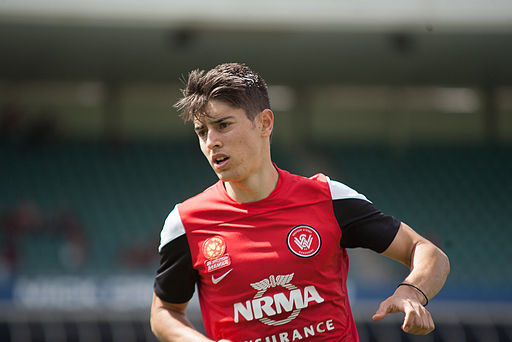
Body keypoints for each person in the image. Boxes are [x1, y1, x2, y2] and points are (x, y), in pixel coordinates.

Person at [150, 63, 450, 342]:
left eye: (223, 125)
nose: (211, 141)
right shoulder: (185, 223)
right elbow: (164, 312)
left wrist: (412, 291)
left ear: (265, 123)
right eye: (202, 132)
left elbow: (426, 251)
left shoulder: (330, 198)